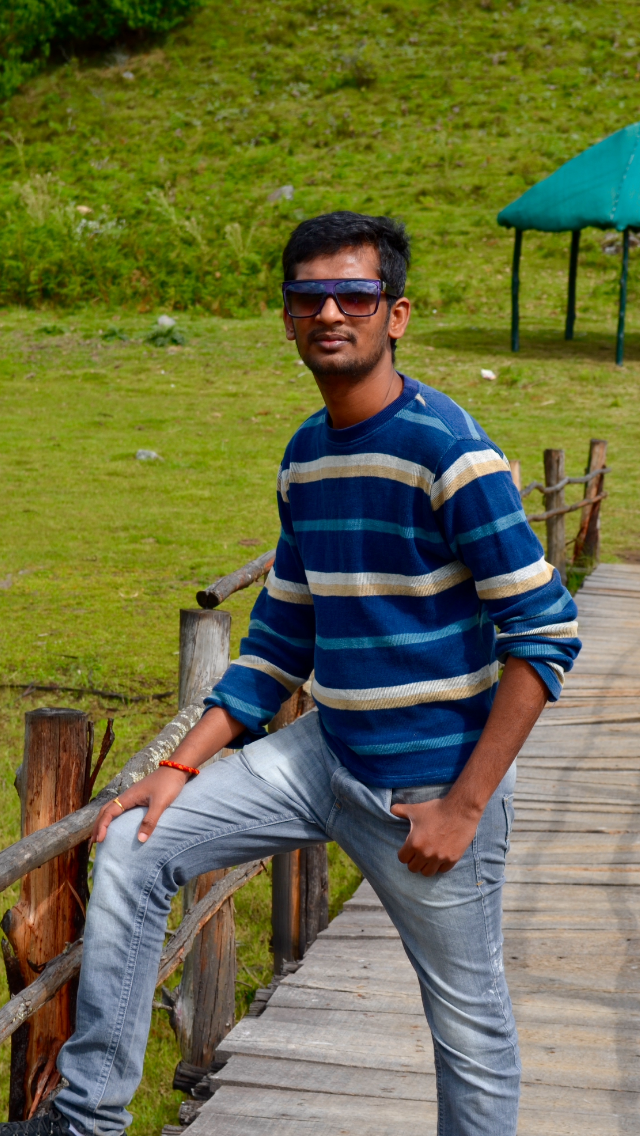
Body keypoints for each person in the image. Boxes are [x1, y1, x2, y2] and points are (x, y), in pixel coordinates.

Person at [2, 211, 580, 1136]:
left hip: (430, 784)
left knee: (470, 1029)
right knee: (136, 846)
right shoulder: (307, 456)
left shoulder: (449, 453)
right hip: (325, 753)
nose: (331, 313)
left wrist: (466, 805)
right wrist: (180, 765)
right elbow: (282, 636)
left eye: (355, 295)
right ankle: (87, 1120)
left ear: (396, 314)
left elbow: (545, 632)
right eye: (310, 297)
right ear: (286, 319)